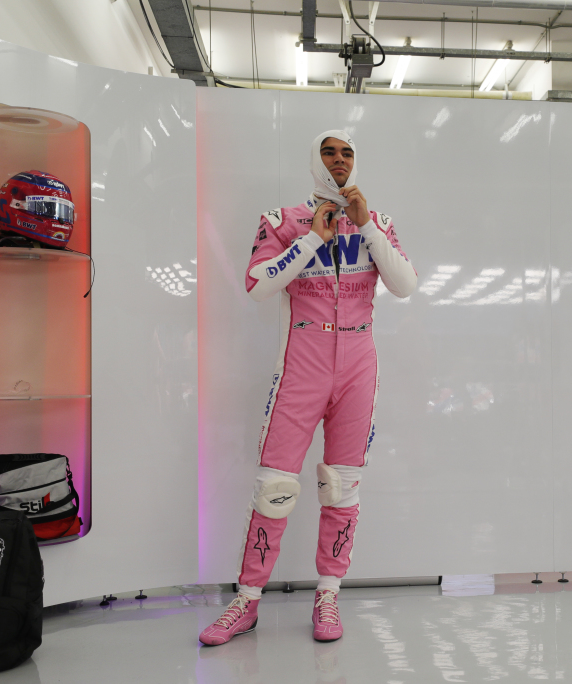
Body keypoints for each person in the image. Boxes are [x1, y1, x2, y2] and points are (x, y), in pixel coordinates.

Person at [200, 130, 417, 645]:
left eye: (347, 152)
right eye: (328, 150)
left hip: (359, 367)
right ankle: (248, 599)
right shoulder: (282, 220)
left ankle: (328, 595)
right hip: (302, 362)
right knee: (274, 486)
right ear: (313, 160)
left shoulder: (376, 221)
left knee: (343, 486)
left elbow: (406, 284)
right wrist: (313, 239)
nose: (339, 160)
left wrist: (367, 229)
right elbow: (257, 285)